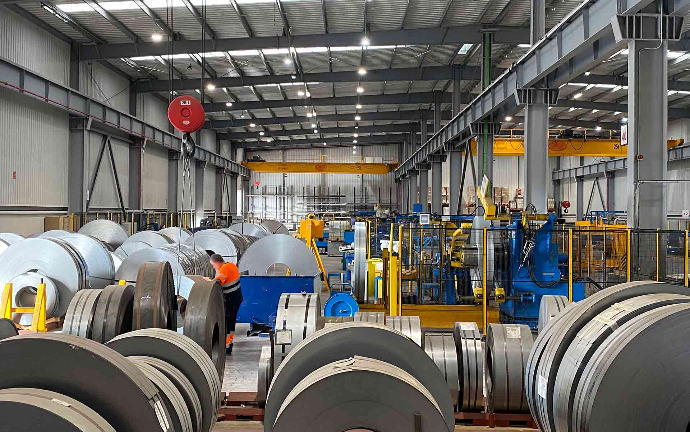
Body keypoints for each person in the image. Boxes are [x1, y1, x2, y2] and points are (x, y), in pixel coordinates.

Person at [207, 254, 242, 354]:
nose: (214, 267)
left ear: (217, 262)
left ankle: (226, 346)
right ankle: (229, 342)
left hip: (231, 299)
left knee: (226, 322)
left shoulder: (224, 269)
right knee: (231, 322)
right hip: (237, 298)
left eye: (213, 265)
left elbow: (218, 281)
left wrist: (208, 282)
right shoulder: (231, 265)